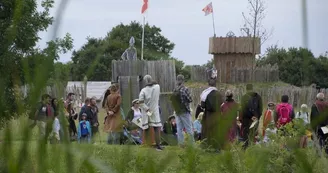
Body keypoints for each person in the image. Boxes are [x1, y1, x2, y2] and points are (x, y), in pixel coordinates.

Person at [139, 75, 163, 151]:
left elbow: (141, 102)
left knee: (146, 127)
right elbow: (155, 83)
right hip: (155, 111)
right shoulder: (157, 87)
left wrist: (147, 109)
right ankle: (158, 145)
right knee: (156, 128)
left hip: (147, 111)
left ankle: (146, 143)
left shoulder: (143, 90)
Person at [200, 78, 223, 150]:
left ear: (208, 84)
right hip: (217, 114)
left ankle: (207, 146)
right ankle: (216, 147)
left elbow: (202, 105)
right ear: (215, 84)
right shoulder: (219, 94)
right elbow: (221, 104)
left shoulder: (205, 93)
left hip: (208, 115)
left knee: (207, 130)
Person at [171, 74, 194, 146]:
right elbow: (190, 99)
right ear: (183, 80)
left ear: (177, 80)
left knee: (179, 129)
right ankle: (191, 144)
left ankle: (181, 144)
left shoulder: (174, 89)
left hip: (177, 111)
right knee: (189, 128)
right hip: (184, 111)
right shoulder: (185, 89)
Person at [240, 84, 263, 149]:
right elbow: (260, 109)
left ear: (246, 89)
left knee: (246, 137)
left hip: (246, 120)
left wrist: (250, 117)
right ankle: (253, 150)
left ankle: (245, 151)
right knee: (253, 136)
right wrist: (257, 117)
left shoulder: (244, 97)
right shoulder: (258, 97)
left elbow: (243, 110)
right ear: (252, 89)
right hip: (255, 120)